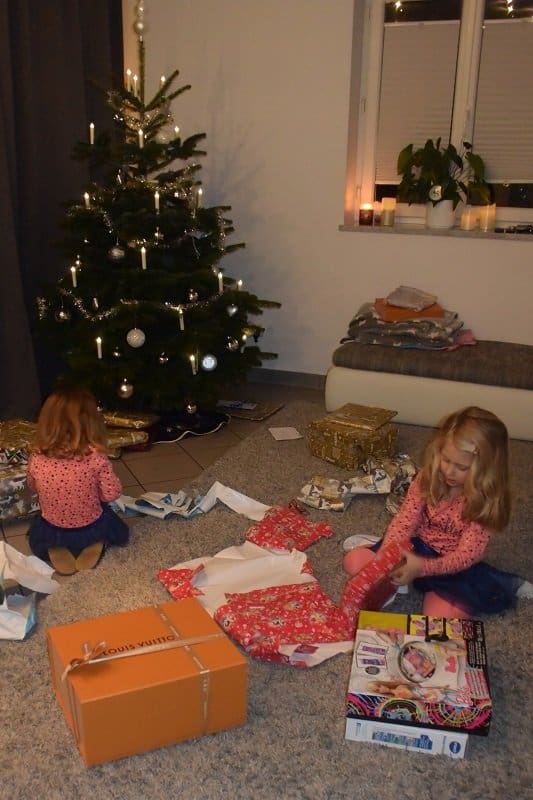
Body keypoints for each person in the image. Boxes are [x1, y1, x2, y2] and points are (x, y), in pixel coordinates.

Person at [343, 406, 533, 618]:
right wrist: (389, 554)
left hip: (449, 564)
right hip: (415, 544)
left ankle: (504, 583)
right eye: (446, 459)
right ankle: (387, 558)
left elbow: (466, 555)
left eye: (461, 467)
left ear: (486, 470)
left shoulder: (485, 500)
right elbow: (406, 520)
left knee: (443, 618)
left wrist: (422, 568)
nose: (449, 471)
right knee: (354, 562)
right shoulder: (429, 476)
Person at [27, 385, 129, 575]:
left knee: (45, 516)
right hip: (90, 524)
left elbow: (32, 486)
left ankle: (57, 545)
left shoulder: (37, 456)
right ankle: (95, 541)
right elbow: (111, 493)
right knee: (104, 512)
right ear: (91, 422)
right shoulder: (95, 456)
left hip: (52, 525)